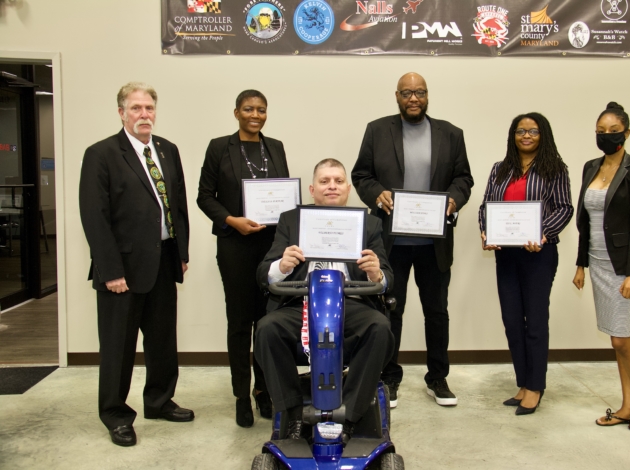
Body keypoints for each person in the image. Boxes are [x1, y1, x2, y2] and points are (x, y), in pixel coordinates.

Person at [79, 82, 193, 447]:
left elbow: (178, 205)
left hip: (162, 260)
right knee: (118, 345)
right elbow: (94, 217)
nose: (144, 114)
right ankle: (115, 414)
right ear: (121, 113)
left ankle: (159, 401)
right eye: (136, 108)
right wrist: (110, 270)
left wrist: (182, 252)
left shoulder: (167, 150)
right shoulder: (101, 154)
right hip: (122, 269)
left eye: (149, 108)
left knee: (162, 340)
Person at [351, 72, 473, 408]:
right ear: (397, 96)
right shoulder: (377, 130)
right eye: (407, 93)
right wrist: (377, 194)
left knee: (437, 312)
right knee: (391, 312)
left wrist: (453, 199)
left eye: (419, 92)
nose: (413, 98)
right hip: (391, 246)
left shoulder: (451, 133)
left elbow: (464, 178)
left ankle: (438, 378)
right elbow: (360, 175)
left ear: (427, 95)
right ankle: (389, 378)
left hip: (435, 245)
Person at [254, 159, 394, 444]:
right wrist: (282, 265)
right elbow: (263, 273)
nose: (332, 186)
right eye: (325, 181)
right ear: (312, 189)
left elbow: (387, 277)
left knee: (379, 328)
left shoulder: (369, 223)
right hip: (300, 303)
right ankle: (292, 414)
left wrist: (375, 272)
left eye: (338, 181)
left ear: (348, 188)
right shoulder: (290, 220)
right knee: (267, 329)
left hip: (351, 302)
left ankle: (351, 416)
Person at [197, 90, 288, 428]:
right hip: (236, 245)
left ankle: (264, 391)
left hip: (271, 248)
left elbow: (283, 193)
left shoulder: (275, 147)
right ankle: (241, 396)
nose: (255, 114)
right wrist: (231, 220)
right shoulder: (219, 147)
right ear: (236, 112)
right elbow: (204, 196)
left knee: (268, 321)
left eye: (261, 109)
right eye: (248, 109)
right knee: (239, 323)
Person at [478, 113, 573, 415]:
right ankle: (522, 382)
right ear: (513, 135)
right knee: (512, 321)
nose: (526, 135)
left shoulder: (555, 169)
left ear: (543, 134)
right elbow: (486, 207)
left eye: (533, 130)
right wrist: (486, 231)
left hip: (538, 254)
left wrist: (542, 233)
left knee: (535, 321)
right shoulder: (499, 169)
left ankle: (536, 386)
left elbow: (565, 207)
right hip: (506, 254)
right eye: (521, 130)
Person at [573, 102, 630, 431]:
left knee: (622, 339)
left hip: (621, 265)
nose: (606, 136)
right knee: (615, 339)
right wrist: (580, 265)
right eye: (600, 132)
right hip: (597, 262)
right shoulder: (591, 166)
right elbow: (585, 221)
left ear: (627, 133)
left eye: (613, 131)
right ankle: (626, 405)